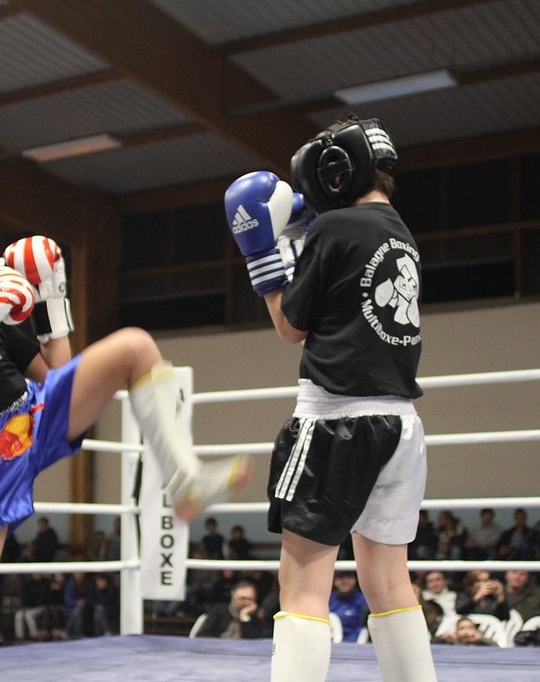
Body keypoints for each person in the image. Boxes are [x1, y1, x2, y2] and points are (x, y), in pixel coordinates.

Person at [0, 206, 250, 681]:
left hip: (32, 418)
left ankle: (183, 478)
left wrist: (51, 303)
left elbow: (54, 374)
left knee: (133, 345)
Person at [225, 115, 436, 681]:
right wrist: (299, 236)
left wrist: (261, 254)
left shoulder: (336, 227)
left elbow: (290, 326)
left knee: (301, 586)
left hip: (336, 420)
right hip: (400, 424)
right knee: (389, 582)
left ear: (335, 171)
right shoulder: (398, 232)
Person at [196, 580, 273, 640]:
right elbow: (202, 636)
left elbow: (254, 642)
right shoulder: (218, 610)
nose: (246, 602)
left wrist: (245, 618)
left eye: (250, 599)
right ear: (233, 597)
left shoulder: (257, 618)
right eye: (242, 598)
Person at [329, 571, 369, 643]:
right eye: (340, 577)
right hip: (329, 643)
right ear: (334, 580)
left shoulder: (364, 602)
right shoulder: (326, 599)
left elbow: (364, 629)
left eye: (349, 577)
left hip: (356, 645)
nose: (344, 581)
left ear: (356, 580)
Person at [13, 572, 52, 642]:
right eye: (35, 574)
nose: (36, 576)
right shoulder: (28, 583)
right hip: (28, 607)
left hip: (41, 606)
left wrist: (31, 607)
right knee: (18, 615)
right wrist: (25, 606)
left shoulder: (45, 583)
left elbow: (44, 598)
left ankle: (33, 635)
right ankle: (19, 636)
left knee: (29, 615)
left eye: (38, 574)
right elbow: (25, 597)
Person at [431, 616, 496, 646]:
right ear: (456, 632)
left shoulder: (480, 643)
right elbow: (430, 645)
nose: (466, 632)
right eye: (462, 628)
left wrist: (481, 639)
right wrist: (442, 638)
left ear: (475, 631)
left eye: (470, 628)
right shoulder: (452, 643)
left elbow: (497, 648)